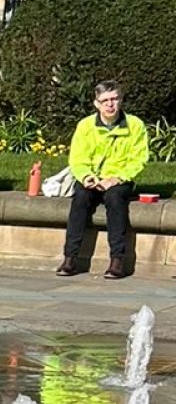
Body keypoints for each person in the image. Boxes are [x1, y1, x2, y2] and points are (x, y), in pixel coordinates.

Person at [58, 79, 150, 280]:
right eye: (105, 100)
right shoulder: (85, 126)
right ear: (96, 103)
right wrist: (86, 177)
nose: (110, 104)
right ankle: (69, 258)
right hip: (92, 178)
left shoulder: (135, 125)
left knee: (115, 199)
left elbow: (139, 159)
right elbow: (77, 158)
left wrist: (117, 178)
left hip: (119, 180)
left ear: (121, 100)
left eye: (114, 99)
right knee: (80, 198)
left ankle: (117, 260)